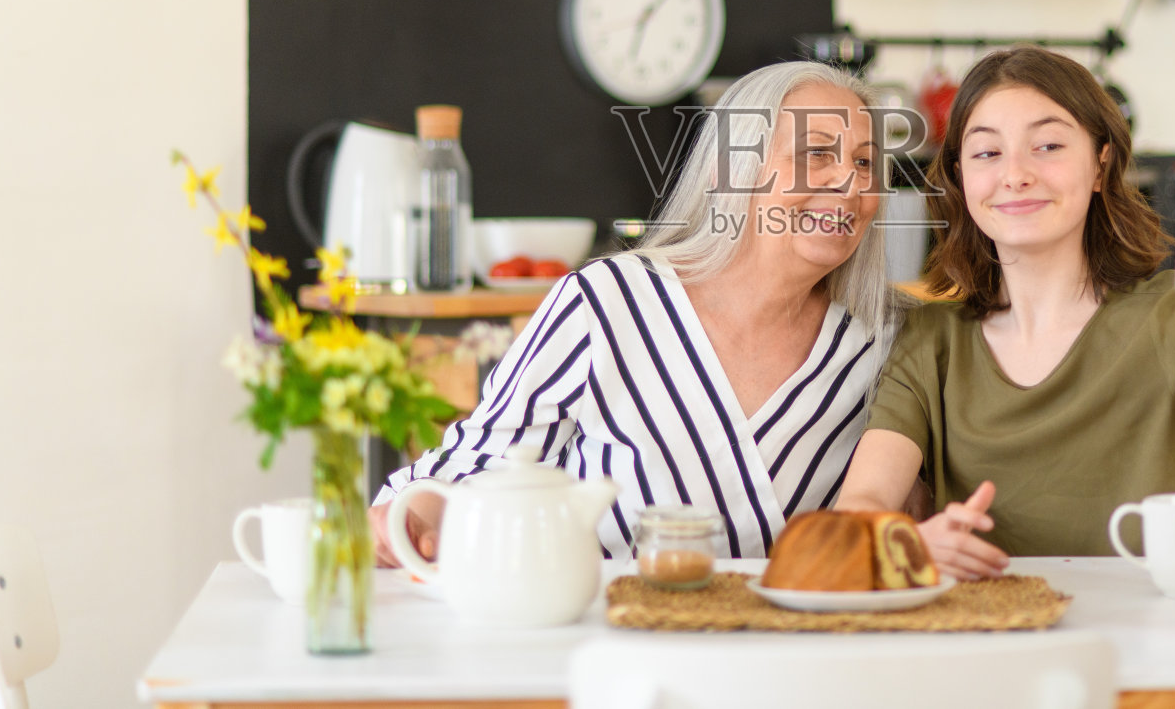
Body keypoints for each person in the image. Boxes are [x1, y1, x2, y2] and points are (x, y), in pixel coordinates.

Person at [835, 46, 1175, 579]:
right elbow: (861, 506)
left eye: (1048, 146)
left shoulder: (1165, 317)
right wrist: (909, 542)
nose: (1015, 174)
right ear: (961, 179)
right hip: (990, 621)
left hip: (1152, 623)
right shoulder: (930, 341)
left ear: (1100, 165)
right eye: (987, 153)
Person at [370, 60, 897, 564]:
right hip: (604, 623)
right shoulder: (606, 302)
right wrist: (413, 519)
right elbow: (481, 463)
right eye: (817, 154)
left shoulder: (875, 349)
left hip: (784, 627)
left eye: (865, 163)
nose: (850, 184)